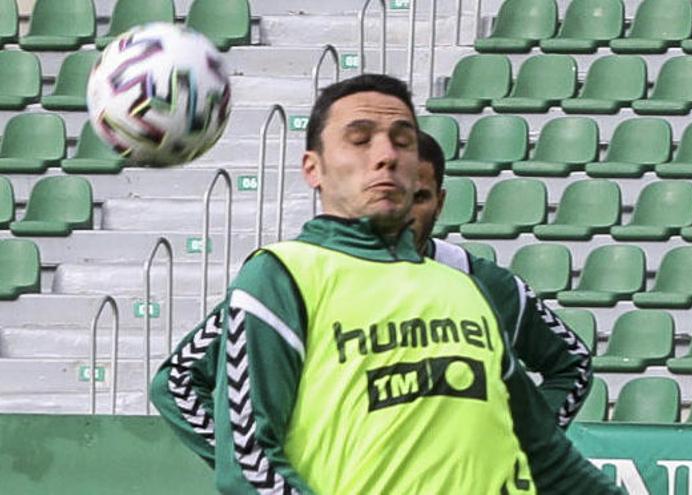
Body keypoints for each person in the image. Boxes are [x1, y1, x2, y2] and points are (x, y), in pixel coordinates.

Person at [151, 73, 623, 494]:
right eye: (359, 139)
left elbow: (546, 456)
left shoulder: (467, 289)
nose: (386, 155)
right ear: (312, 168)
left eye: (403, 140)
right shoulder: (281, 277)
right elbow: (249, 465)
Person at [410, 131, 594, 428]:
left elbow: (573, 364)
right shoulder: (323, 279)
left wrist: (532, 444)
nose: (403, 212)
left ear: (440, 202)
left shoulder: (487, 284)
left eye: (418, 197)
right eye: (390, 194)